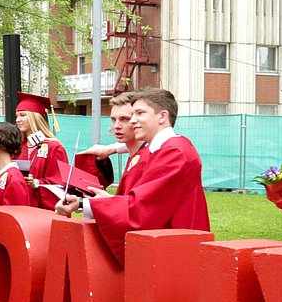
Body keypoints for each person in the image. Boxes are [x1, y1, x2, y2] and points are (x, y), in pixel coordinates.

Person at [56, 88, 210, 265]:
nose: (133, 120)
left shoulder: (173, 152)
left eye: (140, 113)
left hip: (175, 253)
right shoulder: (166, 148)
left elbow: (141, 210)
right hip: (172, 246)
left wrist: (90, 204)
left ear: (162, 116)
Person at [80, 91, 146, 194]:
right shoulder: (134, 154)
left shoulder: (150, 159)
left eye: (124, 119)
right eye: (113, 120)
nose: (116, 126)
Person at [14, 92, 69, 210]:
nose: (18, 120)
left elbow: (60, 183)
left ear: (36, 117)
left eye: (23, 115)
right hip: (22, 208)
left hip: (44, 211)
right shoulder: (19, 147)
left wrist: (37, 183)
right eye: (16, 116)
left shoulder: (54, 147)